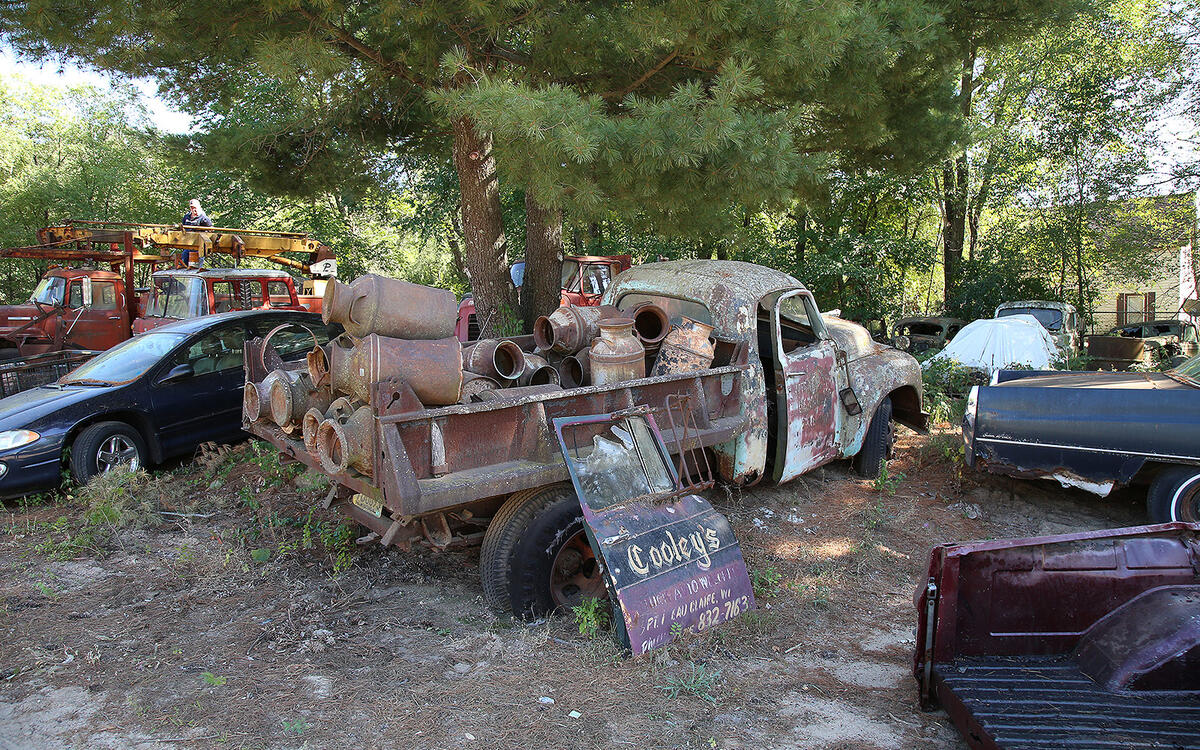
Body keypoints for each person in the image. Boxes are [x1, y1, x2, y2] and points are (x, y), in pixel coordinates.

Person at [180, 199, 214, 267]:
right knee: (184, 258)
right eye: (192, 208)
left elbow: (211, 230)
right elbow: (182, 228)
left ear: (199, 207)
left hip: (199, 246)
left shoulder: (204, 218)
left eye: (195, 207)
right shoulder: (186, 217)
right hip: (188, 244)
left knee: (195, 264)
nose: (193, 210)